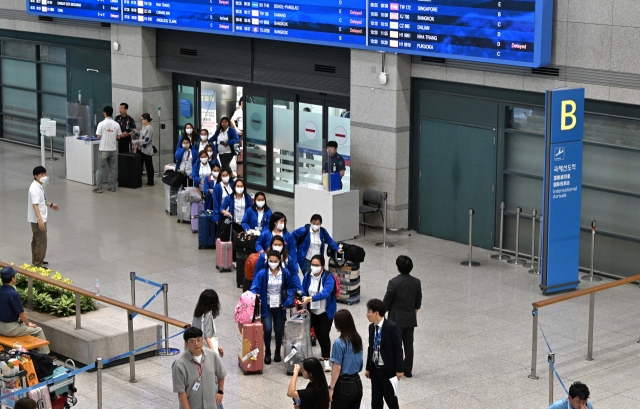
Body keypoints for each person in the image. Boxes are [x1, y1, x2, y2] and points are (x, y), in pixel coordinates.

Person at [250, 250, 297, 364]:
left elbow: (291, 288)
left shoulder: (285, 273)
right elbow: (253, 288)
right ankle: (267, 351)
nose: (273, 263)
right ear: (267, 261)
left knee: (278, 330)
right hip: (267, 306)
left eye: (275, 261)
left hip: (280, 306)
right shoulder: (262, 273)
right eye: (271, 261)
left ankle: (277, 351)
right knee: (267, 329)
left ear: (279, 261)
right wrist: (257, 297)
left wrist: (288, 301)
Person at [382, 255, 422, 378]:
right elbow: (418, 300)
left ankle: (396, 368)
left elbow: (387, 301)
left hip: (395, 320)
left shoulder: (393, 282)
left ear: (398, 268)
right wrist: (415, 311)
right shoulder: (416, 282)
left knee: (395, 345)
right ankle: (408, 369)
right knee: (409, 345)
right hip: (410, 318)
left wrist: (383, 311)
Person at [0, 266, 51, 354]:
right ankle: (45, 357)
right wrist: (28, 324)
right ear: (12, 278)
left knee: (22, 325)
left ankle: (33, 353)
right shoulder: (13, 294)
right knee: (38, 330)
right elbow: (21, 314)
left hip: (0, 326)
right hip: (10, 329)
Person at [172, 327, 226, 409]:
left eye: (199, 340)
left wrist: (220, 392)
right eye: (192, 342)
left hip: (211, 405)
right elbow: (181, 392)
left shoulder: (212, 355)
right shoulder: (180, 365)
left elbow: (221, 374)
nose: (196, 344)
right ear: (186, 343)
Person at [365, 299, 403, 409]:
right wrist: (368, 368)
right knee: (376, 399)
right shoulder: (372, 327)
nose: (367, 315)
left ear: (376, 313)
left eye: (369, 312)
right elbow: (371, 348)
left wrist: (399, 369)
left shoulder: (392, 327)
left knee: (390, 399)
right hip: (376, 370)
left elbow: (398, 349)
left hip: (388, 370)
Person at [301, 255, 337, 372]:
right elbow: (304, 290)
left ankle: (327, 360)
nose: (314, 267)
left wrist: (310, 298)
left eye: (317, 265)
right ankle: (323, 353)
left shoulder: (328, 277)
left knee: (323, 333)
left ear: (322, 266)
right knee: (316, 332)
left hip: (325, 311)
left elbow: (326, 293)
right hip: (313, 311)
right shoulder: (307, 276)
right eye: (312, 264)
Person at [329, 310, 363, 409]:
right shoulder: (358, 339)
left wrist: (331, 388)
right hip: (357, 382)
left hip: (343, 385)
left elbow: (337, 367)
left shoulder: (339, 343)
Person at [28, 166, 59, 267]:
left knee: (36, 240)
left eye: (44, 174)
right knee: (41, 242)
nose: (44, 176)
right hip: (38, 219)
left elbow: (41, 201)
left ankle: (37, 259)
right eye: (41, 174)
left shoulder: (38, 186)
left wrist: (50, 204)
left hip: (38, 218)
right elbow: (35, 204)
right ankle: (37, 263)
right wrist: (40, 220)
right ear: (35, 176)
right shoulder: (34, 189)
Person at [220, 178, 252, 266]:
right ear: (234, 187)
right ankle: (234, 260)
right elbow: (221, 208)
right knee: (235, 241)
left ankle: (245, 259)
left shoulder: (247, 197)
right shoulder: (229, 198)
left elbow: (251, 209)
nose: (240, 188)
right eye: (238, 186)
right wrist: (226, 212)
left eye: (241, 186)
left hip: (245, 223)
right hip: (235, 223)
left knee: (245, 241)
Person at [94, 106, 122, 193]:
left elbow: (98, 136)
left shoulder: (101, 124)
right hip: (113, 149)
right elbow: (119, 137)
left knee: (100, 169)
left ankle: (99, 187)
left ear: (105, 113)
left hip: (103, 149)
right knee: (113, 169)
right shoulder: (116, 124)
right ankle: (112, 187)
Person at [192, 289, 224, 356]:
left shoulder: (197, 313)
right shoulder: (208, 315)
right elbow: (207, 335)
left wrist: (217, 346)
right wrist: (213, 350)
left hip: (197, 347)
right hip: (207, 350)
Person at [131, 113, 155, 187]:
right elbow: (141, 134)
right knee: (139, 165)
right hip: (141, 149)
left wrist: (136, 141)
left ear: (146, 120)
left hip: (147, 149)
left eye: (142, 119)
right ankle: (138, 180)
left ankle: (150, 181)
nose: (141, 121)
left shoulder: (150, 128)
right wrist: (135, 131)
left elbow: (146, 140)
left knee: (148, 165)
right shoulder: (143, 127)